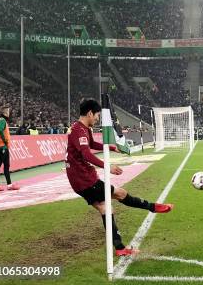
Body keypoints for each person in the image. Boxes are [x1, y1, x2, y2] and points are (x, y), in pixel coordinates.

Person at [66, 98, 173, 257]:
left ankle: (120, 247)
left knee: (105, 208)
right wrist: (107, 167)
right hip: (84, 180)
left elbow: (91, 145)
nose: (97, 119)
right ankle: (152, 207)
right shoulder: (78, 130)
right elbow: (86, 153)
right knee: (120, 194)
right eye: (97, 115)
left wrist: (109, 147)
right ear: (89, 113)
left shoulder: (82, 128)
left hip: (79, 180)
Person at [0, 105, 19, 191]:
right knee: (1, 166)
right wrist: (4, 140)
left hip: (3, 146)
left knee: (3, 165)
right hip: (2, 146)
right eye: (7, 111)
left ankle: (4, 185)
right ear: (4, 112)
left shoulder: (1, 120)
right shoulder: (2, 120)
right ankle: (0, 185)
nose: (9, 113)